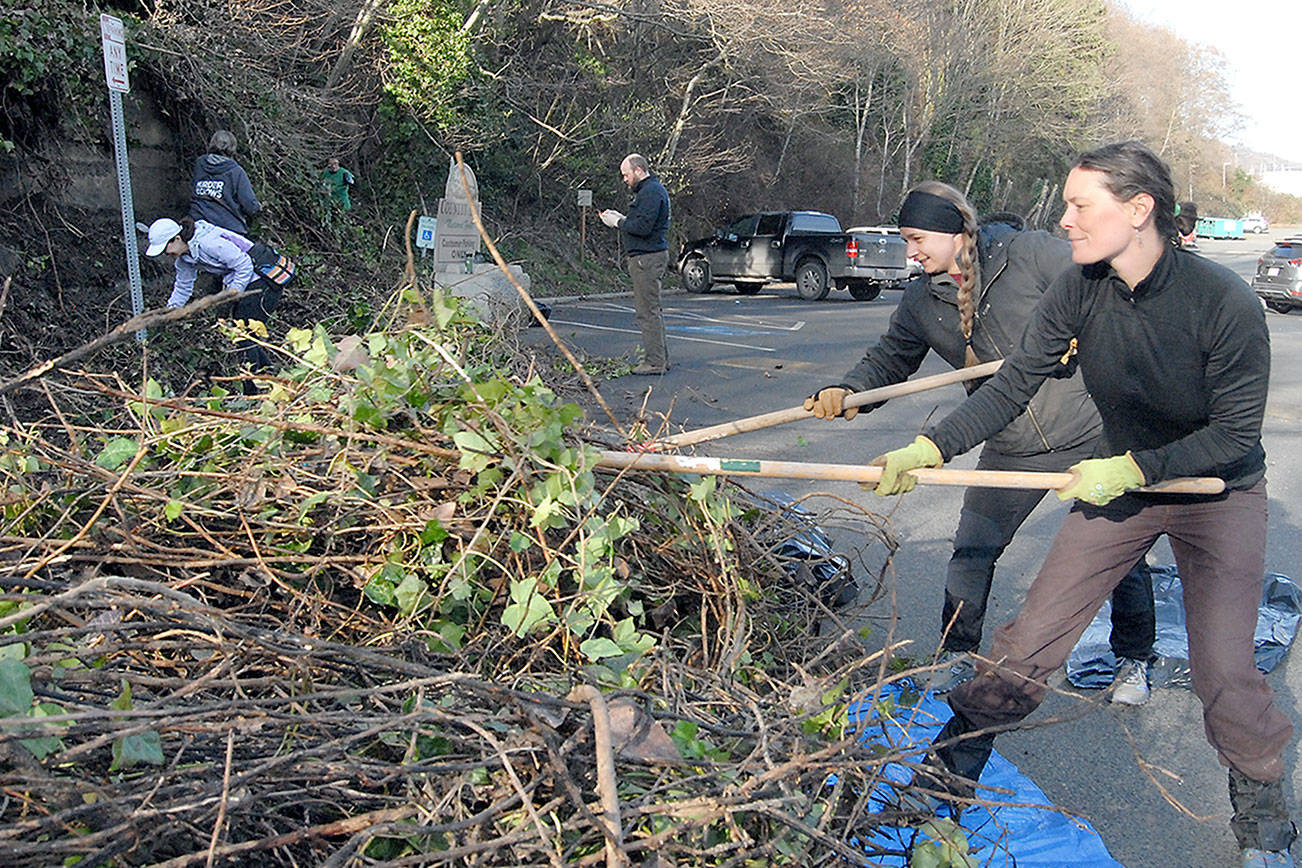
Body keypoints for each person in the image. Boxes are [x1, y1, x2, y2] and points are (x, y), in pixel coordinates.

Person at [872, 142, 1294, 868]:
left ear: (1138, 211)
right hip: (1122, 487)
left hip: (1215, 493)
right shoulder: (1079, 288)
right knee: (1027, 641)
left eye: (1080, 205)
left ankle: (1264, 823)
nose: (1064, 220)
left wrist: (1135, 465)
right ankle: (941, 788)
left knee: (1223, 669)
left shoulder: (1221, 300)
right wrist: (931, 449)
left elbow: (1231, 433)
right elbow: (1010, 386)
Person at [804, 182, 1156, 702]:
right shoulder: (924, 298)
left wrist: (1088, 333)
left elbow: (1108, 288)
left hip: (1088, 430)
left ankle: (1134, 660)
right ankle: (955, 656)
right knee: (972, 550)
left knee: (1116, 554)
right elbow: (892, 359)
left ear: (955, 232)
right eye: (906, 240)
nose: (911, 251)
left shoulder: (1030, 255)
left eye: (917, 237)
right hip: (1008, 436)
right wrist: (849, 390)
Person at [145, 216, 290, 393]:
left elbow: (243, 265)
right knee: (245, 336)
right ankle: (275, 381)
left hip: (262, 280)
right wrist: (170, 311)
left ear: (177, 239)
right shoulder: (184, 259)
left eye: (165, 248)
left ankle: (252, 392)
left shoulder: (209, 243)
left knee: (243, 335)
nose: (165, 254)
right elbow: (183, 287)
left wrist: (233, 293)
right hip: (245, 282)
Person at [599, 153, 671, 375]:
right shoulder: (652, 191)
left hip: (646, 259)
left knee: (647, 312)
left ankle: (655, 362)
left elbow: (642, 228)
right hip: (648, 256)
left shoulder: (650, 192)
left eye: (626, 175)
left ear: (639, 171)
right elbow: (640, 222)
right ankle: (661, 359)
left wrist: (618, 222)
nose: (625, 179)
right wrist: (621, 218)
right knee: (652, 310)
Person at [189, 130, 261, 236]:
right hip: (227, 228)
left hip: (198, 224)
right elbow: (250, 205)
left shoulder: (200, 164)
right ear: (233, 148)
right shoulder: (236, 172)